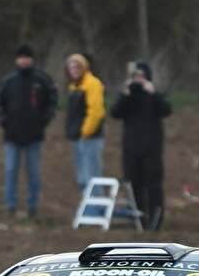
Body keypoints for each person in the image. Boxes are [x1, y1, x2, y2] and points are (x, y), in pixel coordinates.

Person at [0, 44, 58, 219]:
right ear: (17, 60)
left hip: (34, 135)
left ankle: (32, 206)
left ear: (32, 59)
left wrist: (43, 121)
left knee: (34, 173)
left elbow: (52, 101)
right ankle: (10, 205)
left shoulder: (42, 80)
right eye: (21, 58)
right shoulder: (8, 81)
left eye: (27, 58)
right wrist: (3, 121)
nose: (24, 61)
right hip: (12, 135)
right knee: (10, 171)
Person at [110, 61, 172, 230]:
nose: (138, 79)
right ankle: (138, 218)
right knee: (133, 184)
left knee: (154, 185)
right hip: (131, 148)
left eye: (141, 76)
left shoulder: (153, 95)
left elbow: (167, 110)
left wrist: (153, 93)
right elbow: (115, 112)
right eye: (136, 76)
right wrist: (125, 94)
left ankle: (155, 220)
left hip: (152, 149)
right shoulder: (128, 96)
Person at [64, 53, 106, 191]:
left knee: (92, 177)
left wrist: (86, 132)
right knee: (82, 178)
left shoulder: (93, 84)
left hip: (90, 138)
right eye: (72, 67)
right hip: (77, 137)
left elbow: (96, 112)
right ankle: (86, 202)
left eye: (78, 67)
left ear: (84, 67)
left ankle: (95, 205)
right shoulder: (73, 86)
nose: (74, 70)